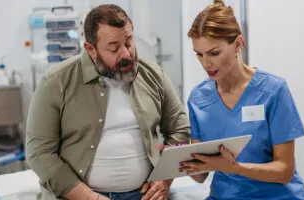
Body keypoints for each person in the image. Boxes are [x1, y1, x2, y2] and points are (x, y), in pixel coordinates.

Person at [25, 4, 190, 200]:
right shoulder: (56, 83)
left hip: (144, 195)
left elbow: (180, 129)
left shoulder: (153, 75)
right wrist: (91, 198)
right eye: (114, 48)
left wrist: (165, 178)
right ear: (90, 49)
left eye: (129, 43)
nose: (126, 54)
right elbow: (39, 154)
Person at [179, 0, 304, 199]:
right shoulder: (198, 98)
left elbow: (284, 171)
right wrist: (179, 157)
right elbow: (200, 176)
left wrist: (234, 167)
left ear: (237, 44)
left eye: (214, 53)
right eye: (199, 54)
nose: (206, 63)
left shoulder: (272, 91)